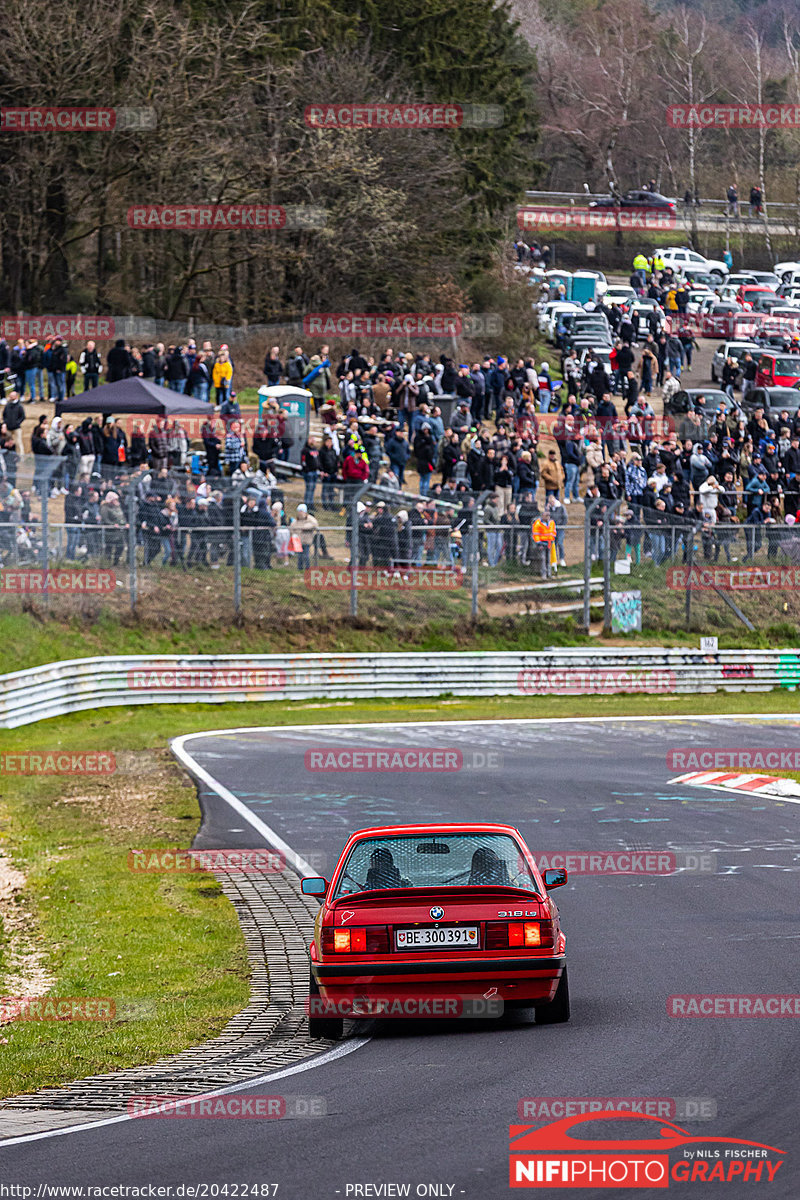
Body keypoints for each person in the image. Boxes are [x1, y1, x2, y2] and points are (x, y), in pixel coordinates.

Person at [290, 502, 319, 570]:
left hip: (306, 541)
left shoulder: (310, 519)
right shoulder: (297, 520)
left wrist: (304, 527)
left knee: (306, 556)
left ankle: (307, 568)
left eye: (301, 511)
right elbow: (292, 527)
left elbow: (314, 524)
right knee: (300, 556)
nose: (300, 513)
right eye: (299, 511)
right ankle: (299, 568)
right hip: (299, 541)